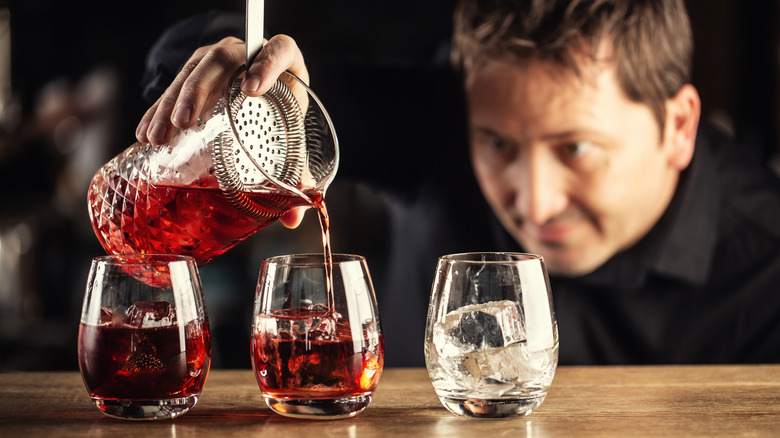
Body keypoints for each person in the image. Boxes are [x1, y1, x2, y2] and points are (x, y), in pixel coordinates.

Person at [135, 0, 780, 367]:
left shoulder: (766, 266)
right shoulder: (441, 120)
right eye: (496, 143)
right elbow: (182, 57)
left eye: (577, 148)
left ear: (679, 127)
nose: (533, 201)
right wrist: (237, 64)